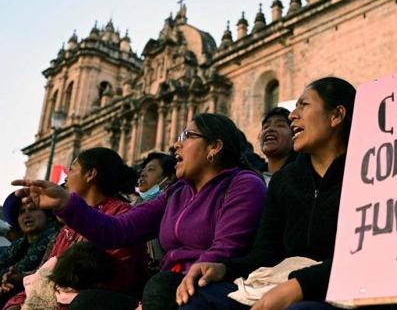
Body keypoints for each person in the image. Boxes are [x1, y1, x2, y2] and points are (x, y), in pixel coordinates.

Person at [13, 113, 267, 310]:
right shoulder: (174, 194)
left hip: (212, 287)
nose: (176, 146)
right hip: (165, 290)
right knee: (89, 303)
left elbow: (224, 250)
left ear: (215, 147)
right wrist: (65, 203)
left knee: (161, 285)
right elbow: (117, 230)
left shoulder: (243, 184)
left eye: (186, 136)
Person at [175, 77, 356, 310]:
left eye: (304, 105)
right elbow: (264, 255)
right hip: (280, 284)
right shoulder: (285, 180)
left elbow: (371, 254)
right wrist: (223, 268)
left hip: (339, 291)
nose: (292, 115)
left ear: (336, 115)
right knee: (201, 297)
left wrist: (300, 285)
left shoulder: (371, 170)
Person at [4, 147, 148, 310]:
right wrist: (15, 304)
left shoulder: (121, 215)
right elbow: (42, 276)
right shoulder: (69, 229)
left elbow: (118, 280)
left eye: (71, 170)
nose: (66, 179)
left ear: (90, 174)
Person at [0, 193, 59, 306]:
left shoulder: (55, 237)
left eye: (33, 209)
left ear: (47, 214)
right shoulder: (16, 246)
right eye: (22, 212)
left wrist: (8, 279)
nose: (27, 215)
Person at [258, 107, 296, 184]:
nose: (270, 129)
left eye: (280, 125)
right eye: (266, 127)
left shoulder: (303, 175)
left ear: (294, 136)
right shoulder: (253, 178)